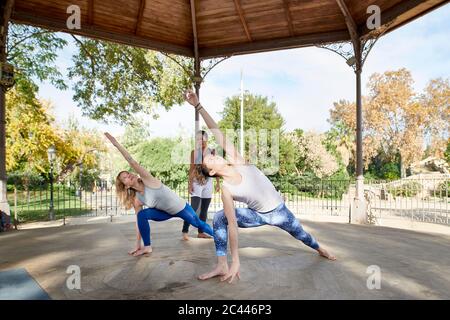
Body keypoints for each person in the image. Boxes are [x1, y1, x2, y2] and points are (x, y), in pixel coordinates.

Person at [183, 90, 336, 283]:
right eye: (210, 159)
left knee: (302, 235)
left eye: (213, 153)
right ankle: (222, 264)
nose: (215, 154)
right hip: (257, 215)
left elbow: (218, 133)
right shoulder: (226, 190)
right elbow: (232, 226)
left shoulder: (238, 160)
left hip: (279, 212)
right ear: (212, 172)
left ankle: (320, 248)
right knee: (220, 217)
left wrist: (198, 106)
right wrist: (235, 260)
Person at [105, 132, 214, 256]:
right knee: (141, 215)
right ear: (126, 186)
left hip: (180, 207)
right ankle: (147, 247)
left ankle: (218, 236)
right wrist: (137, 245)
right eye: (125, 178)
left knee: (198, 223)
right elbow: (139, 224)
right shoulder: (137, 199)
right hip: (164, 213)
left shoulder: (147, 179)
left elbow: (132, 162)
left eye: (128, 173)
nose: (129, 175)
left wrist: (117, 145)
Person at [182, 130, 220, 241]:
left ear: (206, 139)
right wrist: (190, 184)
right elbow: (192, 168)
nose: (201, 141)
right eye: (198, 139)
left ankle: (201, 232)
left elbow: (216, 167)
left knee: (204, 209)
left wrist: (217, 183)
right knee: (193, 208)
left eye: (202, 139)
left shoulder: (212, 152)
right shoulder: (194, 152)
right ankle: (185, 230)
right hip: (197, 181)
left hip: (208, 181)